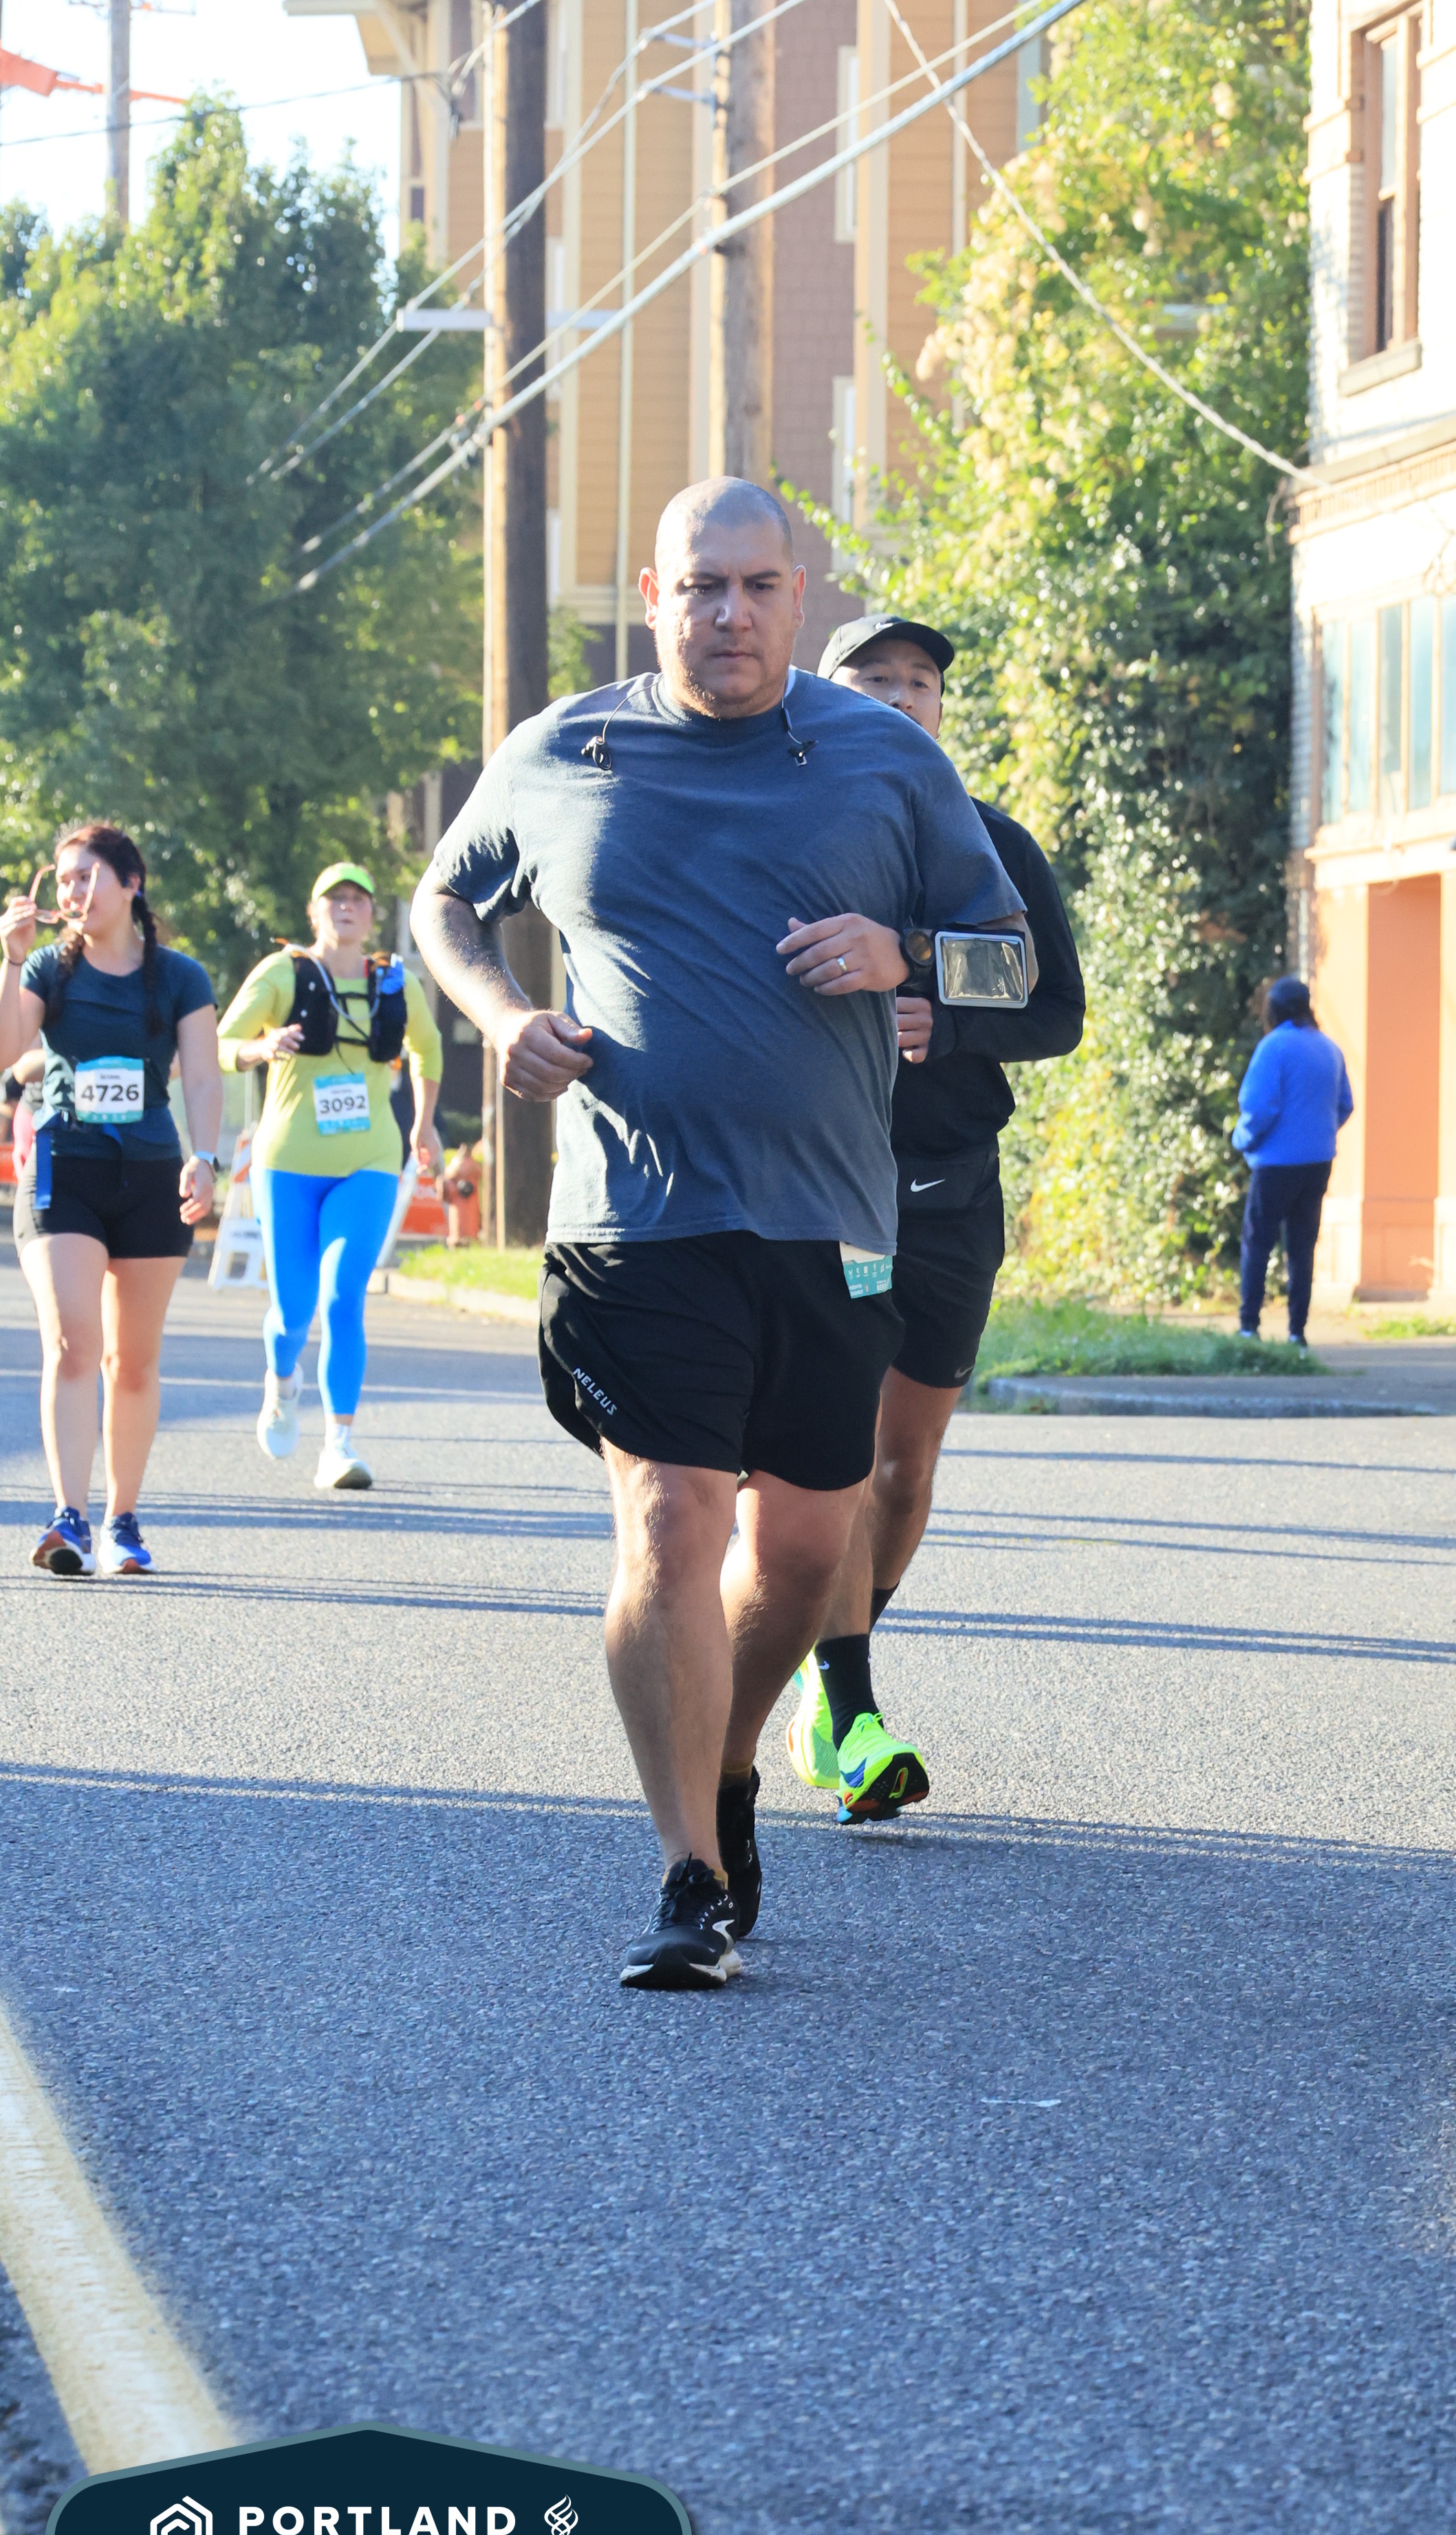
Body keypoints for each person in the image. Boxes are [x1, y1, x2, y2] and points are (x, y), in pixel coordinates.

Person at [410, 479, 1032, 1991]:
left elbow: (1011, 964)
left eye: (756, 587)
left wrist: (904, 953)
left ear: (798, 597)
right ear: (653, 595)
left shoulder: (884, 756)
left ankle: (734, 1758)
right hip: (634, 1216)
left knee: (807, 1553)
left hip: (830, 1218)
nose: (728, 615)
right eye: (699, 587)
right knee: (673, 1520)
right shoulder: (566, 749)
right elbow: (446, 903)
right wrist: (499, 1013)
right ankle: (687, 1870)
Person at [783, 613, 1086, 1818]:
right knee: (842, 1453)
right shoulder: (795, 832)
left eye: (919, 682)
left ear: (943, 710)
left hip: (953, 1184)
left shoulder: (993, 845)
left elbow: (1054, 1010)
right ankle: (851, 1707)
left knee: (906, 1470)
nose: (901, 696)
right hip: (832, 1182)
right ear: (823, 698)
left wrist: (938, 1010)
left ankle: (830, 1665)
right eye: (873, 679)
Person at [0, 824, 221, 1576]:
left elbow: (202, 1077)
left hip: (152, 1175)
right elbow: (7, 1052)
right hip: (64, 1170)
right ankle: (69, 1517)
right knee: (73, 1342)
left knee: (132, 1360)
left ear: (131, 883)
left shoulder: (180, 976)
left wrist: (206, 1159)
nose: (72, 891)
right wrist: (10, 960)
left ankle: (122, 1519)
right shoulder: (45, 968)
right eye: (62, 880)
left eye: (86, 876)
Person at [217, 863, 443, 1491]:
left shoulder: (394, 982)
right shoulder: (282, 973)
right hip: (288, 1163)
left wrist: (424, 1125)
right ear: (314, 913)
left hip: (369, 1161)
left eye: (358, 900)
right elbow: (222, 1043)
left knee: (344, 1296)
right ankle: (281, 1380)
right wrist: (261, 1048)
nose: (346, 908)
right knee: (292, 1311)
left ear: (372, 915)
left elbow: (429, 1048)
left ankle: (338, 1444)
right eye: (334, 899)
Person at [1232, 976, 1354, 1348]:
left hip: (1275, 1163)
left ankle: (1249, 1326)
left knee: (1258, 1242)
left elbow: (1260, 1108)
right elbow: (1345, 1105)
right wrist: (1318, 1134)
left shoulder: (1273, 1047)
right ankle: (1297, 1333)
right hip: (1318, 1162)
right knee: (1302, 1247)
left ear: (1274, 1011)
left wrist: (1242, 1140)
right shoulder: (1330, 1048)